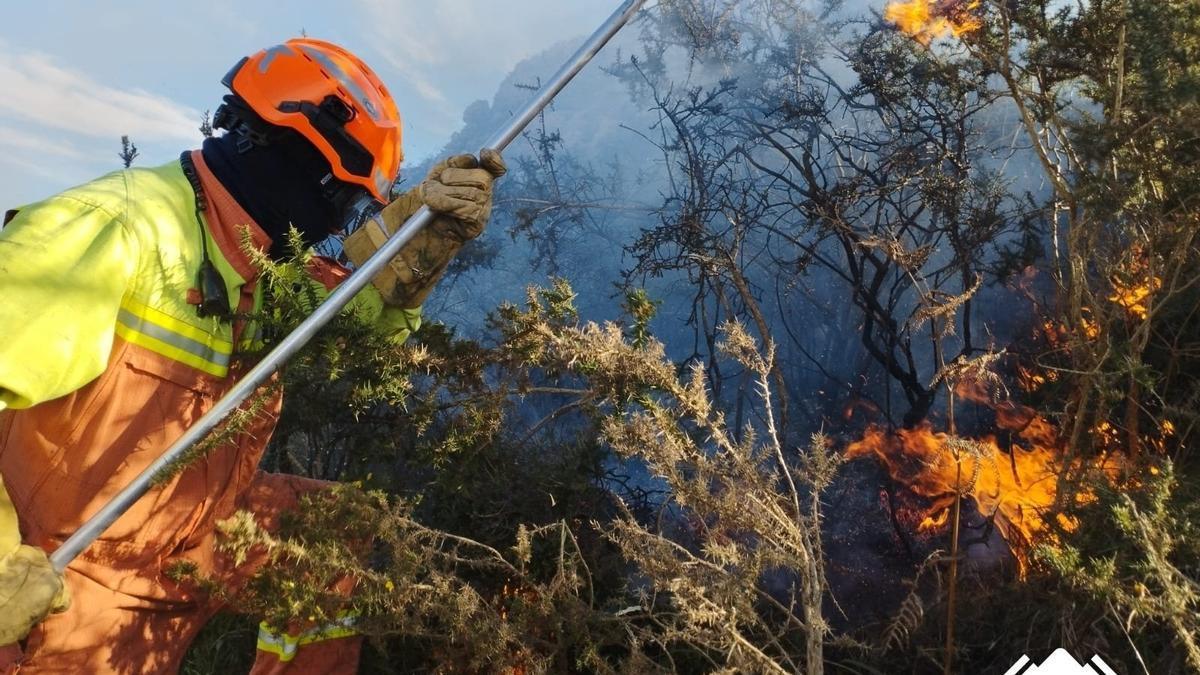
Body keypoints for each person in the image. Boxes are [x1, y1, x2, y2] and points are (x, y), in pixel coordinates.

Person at [0, 38, 505, 673]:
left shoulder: (255, 255)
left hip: (191, 531)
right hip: (74, 572)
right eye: (347, 198)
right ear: (306, 162)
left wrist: (424, 236)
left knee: (329, 529)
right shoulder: (114, 228)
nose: (340, 216)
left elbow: (360, 318)